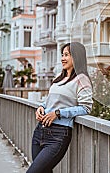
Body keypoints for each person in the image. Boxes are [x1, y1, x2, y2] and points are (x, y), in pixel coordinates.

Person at [27, 42, 93, 173]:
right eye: (62, 55)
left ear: (77, 56)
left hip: (58, 134)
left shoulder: (82, 79)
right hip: (40, 131)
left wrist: (58, 113)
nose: (63, 58)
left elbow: (86, 108)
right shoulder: (59, 77)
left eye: (67, 55)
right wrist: (41, 107)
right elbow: (50, 100)